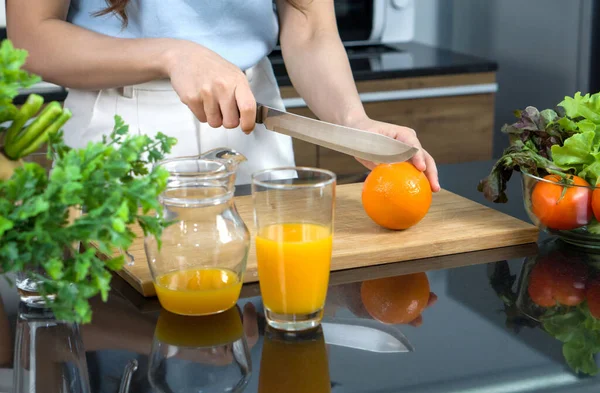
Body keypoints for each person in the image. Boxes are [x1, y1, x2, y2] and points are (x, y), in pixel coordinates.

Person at [7, 0, 440, 189]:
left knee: (262, 333)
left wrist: (353, 122)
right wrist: (172, 55)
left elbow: (308, 22)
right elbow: (31, 38)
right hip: (117, 133)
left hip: (253, 122)